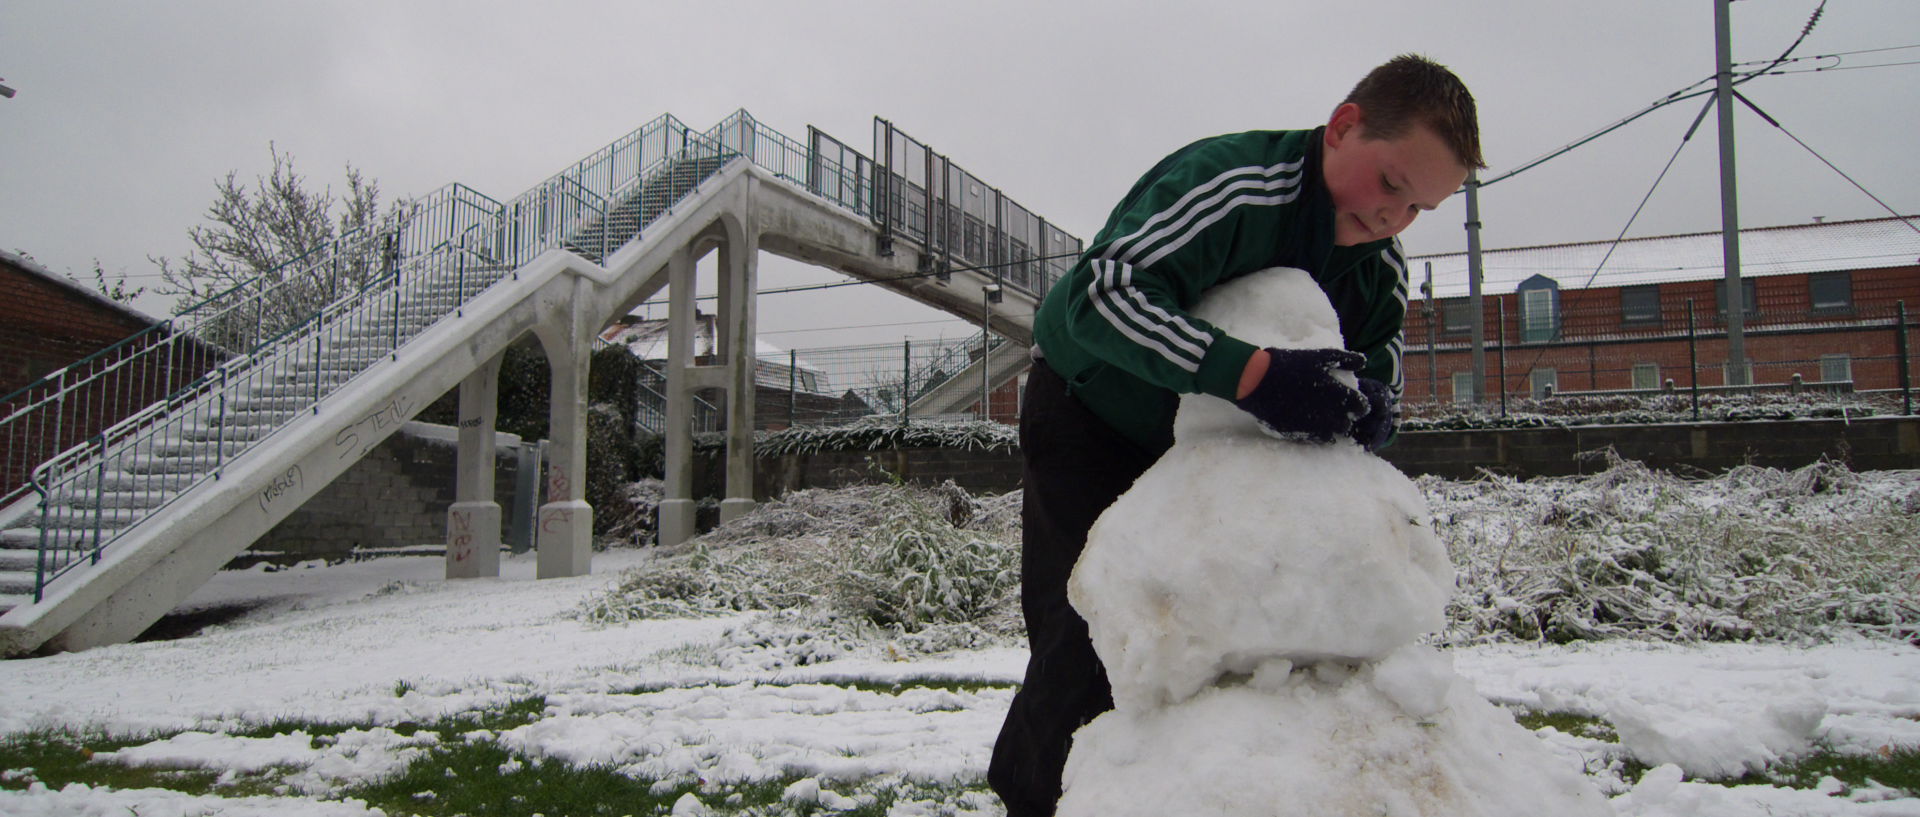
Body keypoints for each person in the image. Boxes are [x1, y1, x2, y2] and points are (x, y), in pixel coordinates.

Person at [988, 54, 1484, 817]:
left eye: (1418, 208)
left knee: (1209, 638)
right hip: (1094, 411)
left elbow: (1380, 363)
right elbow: (1101, 294)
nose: (1393, 219)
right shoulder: (1235, 187)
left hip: (1212, 452)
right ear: (1344, 127)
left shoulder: (1378, 263)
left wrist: (1370, 407)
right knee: (1088, 631)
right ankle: (1035, 799)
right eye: (1390, 184)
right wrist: (1256, 376)